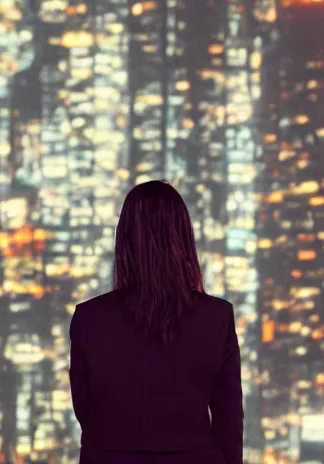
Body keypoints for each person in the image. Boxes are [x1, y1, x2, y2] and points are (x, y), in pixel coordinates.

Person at [69, 180, 243, 464]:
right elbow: (229, 420)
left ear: (124, 239)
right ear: (184, 237)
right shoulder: (217, 317)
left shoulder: (90, 317)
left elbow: (87, 412)